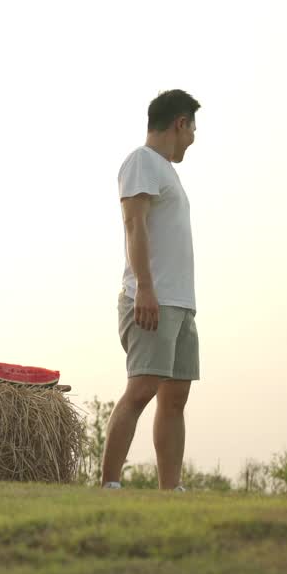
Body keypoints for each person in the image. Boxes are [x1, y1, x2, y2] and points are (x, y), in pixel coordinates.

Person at [101, 89, 202, 491]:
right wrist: (145, 289)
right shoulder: (142, 161)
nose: (193, 139)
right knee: (141, 389)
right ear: (181, 122)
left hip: (180, 304)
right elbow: (134, 225)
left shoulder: (166, 171)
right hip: (151, 299)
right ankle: (109, 484)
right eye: (193, 129)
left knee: (175, 397)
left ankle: (170, 490)